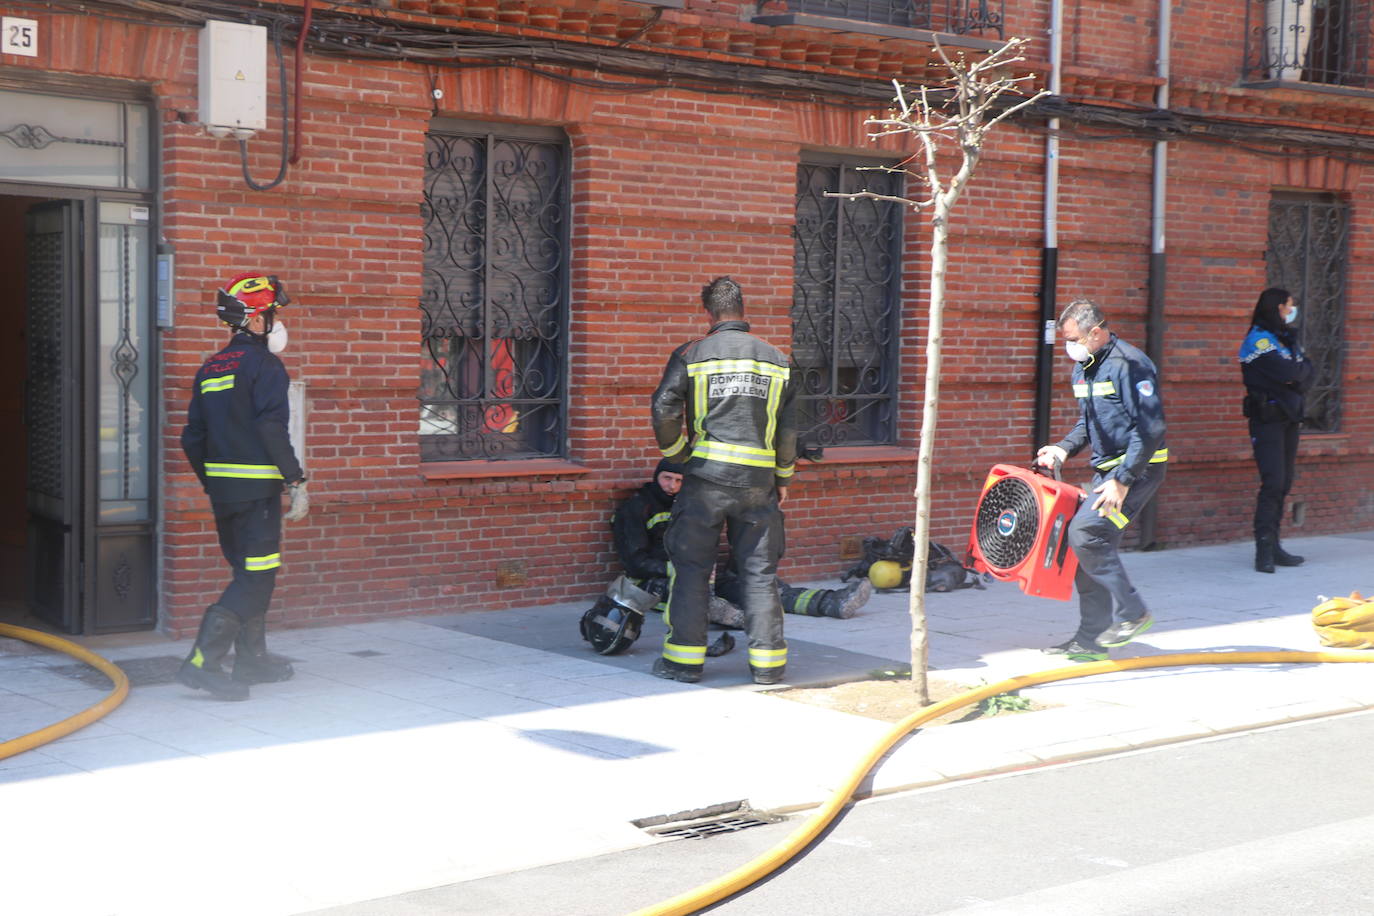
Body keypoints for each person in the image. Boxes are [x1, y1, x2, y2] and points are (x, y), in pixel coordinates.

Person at [650, 276, 798, 684]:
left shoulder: (692, 354)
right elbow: (789, 429)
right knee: (759, 574)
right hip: (758, 484)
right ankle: (768, 668)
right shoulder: (778, 360)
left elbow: (663, 407)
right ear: (742, 309)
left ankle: (683, 662)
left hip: (705, 480)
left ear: (708, 313)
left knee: (692, 568)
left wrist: (677, 456)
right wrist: (782, 476)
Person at [179, 273, 309, 701]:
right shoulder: (265, 365)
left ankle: (252, 660)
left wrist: (212, 480)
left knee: (247, 572)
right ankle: (203, 662)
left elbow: (191, 438)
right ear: (255, 321)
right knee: (257, 578)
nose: (275, 323)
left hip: (224, 494)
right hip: (257, 495)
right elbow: (271, 427)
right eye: (271, 315)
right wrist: (295, 480)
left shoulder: (211, 367)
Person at [1035, 298, 1167, 662]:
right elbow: (1088, 423)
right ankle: (1092, 642)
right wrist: (1062, 449)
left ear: (1096, 332)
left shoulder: (1130, 364)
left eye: (1074, 338)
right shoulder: (1085, 369)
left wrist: (1123, 479)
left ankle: (1134, 613)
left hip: (1138, 471)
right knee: (1086, 546)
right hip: (1108, 472)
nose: (1069, 346)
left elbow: (1151, 427)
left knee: (1086, 534)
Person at [611, 460, 871, 624]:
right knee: (693, 595)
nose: (672, 485)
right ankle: (727, 615)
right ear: (657, 478)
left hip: (701, 573)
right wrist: (675, 569)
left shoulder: (693, 506)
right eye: (666, 478)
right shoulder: (637, 508)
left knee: (757, 589)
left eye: (679, 480)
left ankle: (831, 602)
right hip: (653, 582)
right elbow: (634, 562)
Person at [1238, 287, 1313, 573]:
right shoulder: (1259, 341)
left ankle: (1276, 545)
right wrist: (1296, 374)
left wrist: (1296, 373)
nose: (1292, 311)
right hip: (1267, 420)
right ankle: (1263, 551)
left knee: (1284, 483)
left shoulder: (1286, 339)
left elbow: (1307, 373)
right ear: (1278, 307)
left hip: (1289, 419)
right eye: (1289, 306)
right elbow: (1289, 373)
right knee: (1273, 482)